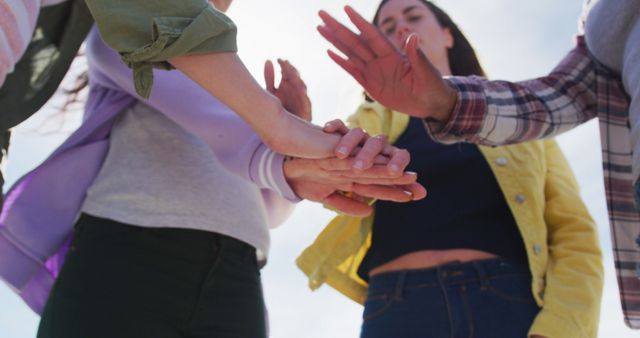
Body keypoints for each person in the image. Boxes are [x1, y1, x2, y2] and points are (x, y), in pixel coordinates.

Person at [0, 1, 427, 337]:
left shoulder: (244, 95)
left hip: (237, 273)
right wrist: (285, 137)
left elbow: (269, 210)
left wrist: (293, 146)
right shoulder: (123, 33)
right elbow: (230, 131)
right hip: (127, 255)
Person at [316, 0, 640, 328]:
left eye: (413, 16)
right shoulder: (363, 123)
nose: (401, 27)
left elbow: (573, 232)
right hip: (396, 309)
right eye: (387, 28)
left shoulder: (522, 121)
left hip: (507, 303)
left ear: (447, 36)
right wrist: (300, 144)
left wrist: (560, 330)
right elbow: (332, 192)